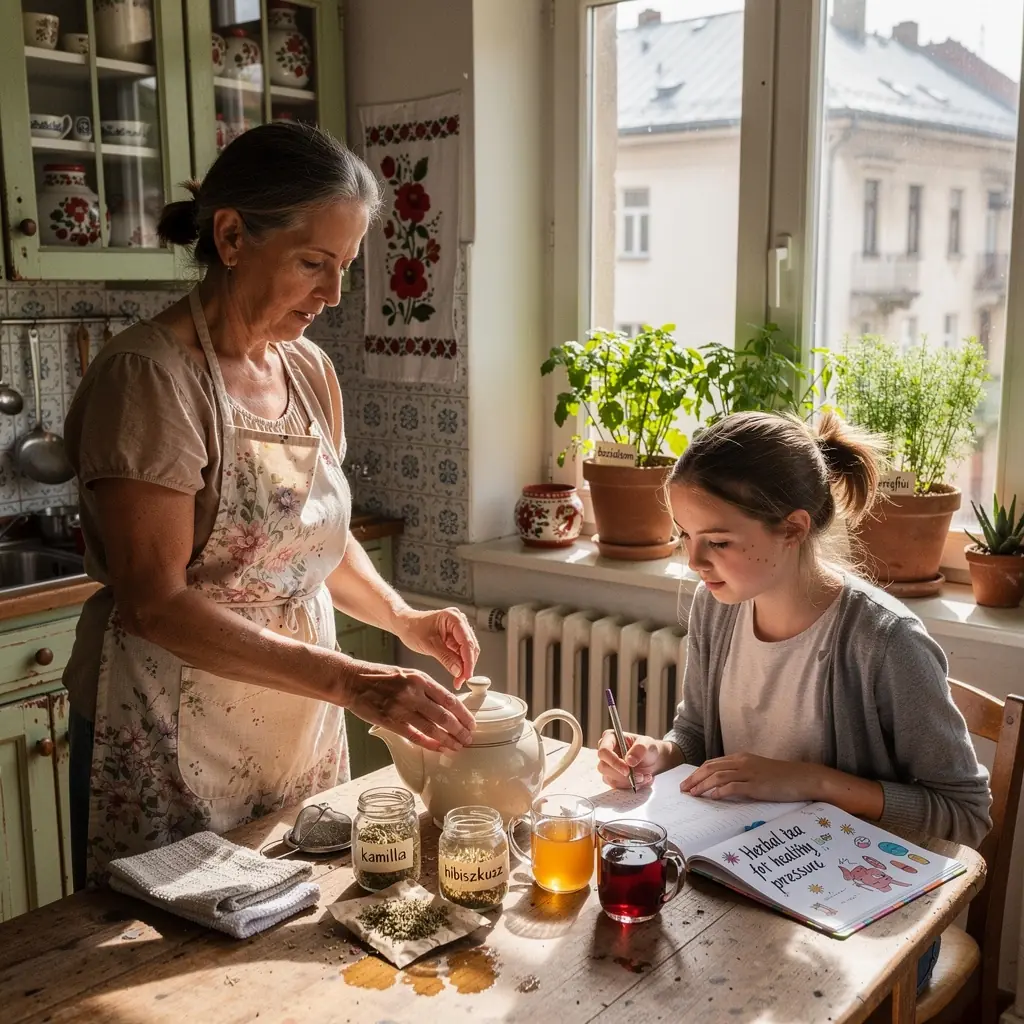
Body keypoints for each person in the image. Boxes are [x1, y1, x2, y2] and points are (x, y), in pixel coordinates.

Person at [63, 122, 478, 889]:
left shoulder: (310, 371)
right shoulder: (150, 379)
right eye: (314, 263)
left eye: (345, 266)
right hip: (167, 723)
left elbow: (313, 536)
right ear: (230, 236)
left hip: (295, 716)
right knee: (160, 969)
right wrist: (353, 681)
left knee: (297, 928)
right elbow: (156, 604)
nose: (333, 294)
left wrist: (401, 618)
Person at [597, 410, 991, 993]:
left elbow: (965, 814)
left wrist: (811, 781)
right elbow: (698, 736)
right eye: (685, 535)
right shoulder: (717, 604)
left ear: (794, 528)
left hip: (872, 923)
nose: (693, 561)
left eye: (719, 541)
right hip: (749, 886)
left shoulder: (887, 643)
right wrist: (660, 753)